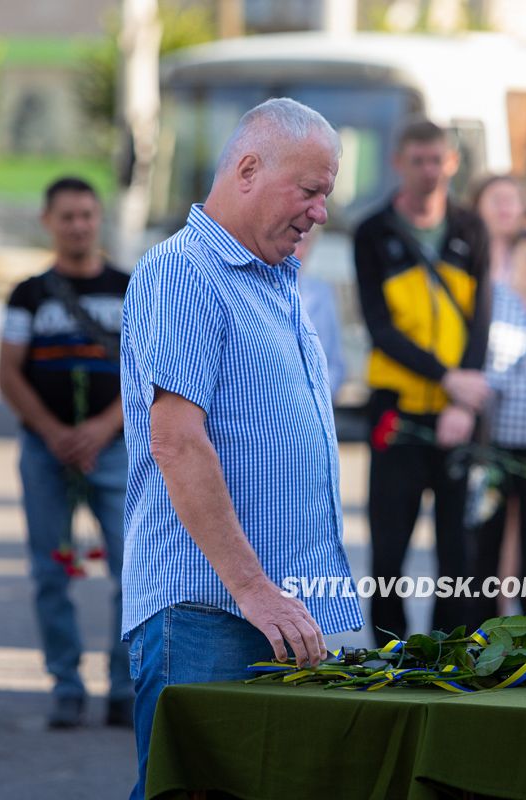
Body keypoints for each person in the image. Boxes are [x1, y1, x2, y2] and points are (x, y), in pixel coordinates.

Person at [121, 98, 361, 800]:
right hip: (210, 614)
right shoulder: (185, 271)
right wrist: (255, 590)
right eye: (310, 190)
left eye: (328, 194)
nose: (321, 212)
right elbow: (176, 441)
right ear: (248, 169)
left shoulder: (274, 282)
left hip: (273, 617)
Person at [0, 177, 133, 730]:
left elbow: (150, 372)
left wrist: (101, 428)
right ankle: (66, 684)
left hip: (116, 451)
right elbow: (7, 373)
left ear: (99, 219)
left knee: (133, 571)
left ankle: (125, 686)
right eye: (67, 216)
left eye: (87, 215)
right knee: (50, 572)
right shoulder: (27, 294)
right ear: (47, 221)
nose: (78, 225)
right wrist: (53, 432)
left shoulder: (133, 287)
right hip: (43, 451)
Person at [354, 119, 492, 642]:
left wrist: (464, 399)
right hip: (397, 404)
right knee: (390, 545)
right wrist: (448, 379)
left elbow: (481, 318)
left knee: (459, 548)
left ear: (452, 163)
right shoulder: (373, 231)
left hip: (459, 411)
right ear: (398, 162)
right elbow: (379, 328)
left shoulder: (470, 228)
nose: (429, 171)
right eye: (418, 160)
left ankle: (451, 652)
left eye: (438, 160)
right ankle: (390, 654)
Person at [470, 223, 526, 628]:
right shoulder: (494, 300)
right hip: (497, 442)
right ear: (516, 259)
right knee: (485, 541)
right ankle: (479, 630)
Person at [294, 228, 346, 398]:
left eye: (303, 242)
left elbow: (335, 363)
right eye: (294, 240)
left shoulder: (321, 293)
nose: (295, 250)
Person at [470, 174, 526, 283]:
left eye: (510, 200)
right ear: (477, 206)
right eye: (496, 200)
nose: (504, 208)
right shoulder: (463, 256)